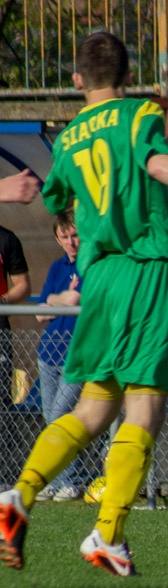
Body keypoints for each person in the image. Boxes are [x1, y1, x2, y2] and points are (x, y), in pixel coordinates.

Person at [0, 30, 168, 577]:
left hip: (99, 280)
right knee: (144, 406)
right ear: (127, 76)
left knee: (93, 409)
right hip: (145, 271)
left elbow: (56, 197)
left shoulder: (70, 137)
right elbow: (157, 165)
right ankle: (107, 533)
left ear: (77, 80)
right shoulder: (139, 115)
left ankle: (19, 493)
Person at [34, 210, 89, 502]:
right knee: (50, 418)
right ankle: (57, 482)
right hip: (48, 353)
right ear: (57, 239)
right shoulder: (57, 268)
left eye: (75, 235)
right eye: (65, 237)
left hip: (76, 355)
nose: (71, 242)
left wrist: (57, 301)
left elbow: (74, 300)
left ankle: (73, 480)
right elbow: (42, 313)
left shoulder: (92, 264)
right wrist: (59, 300)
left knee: (59, 417)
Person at [0, 175, 35, 490]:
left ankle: (4, 476)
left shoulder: (7, 239)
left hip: (0, 333)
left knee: (1, 403)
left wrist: (3, 301)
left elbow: (23, 286)